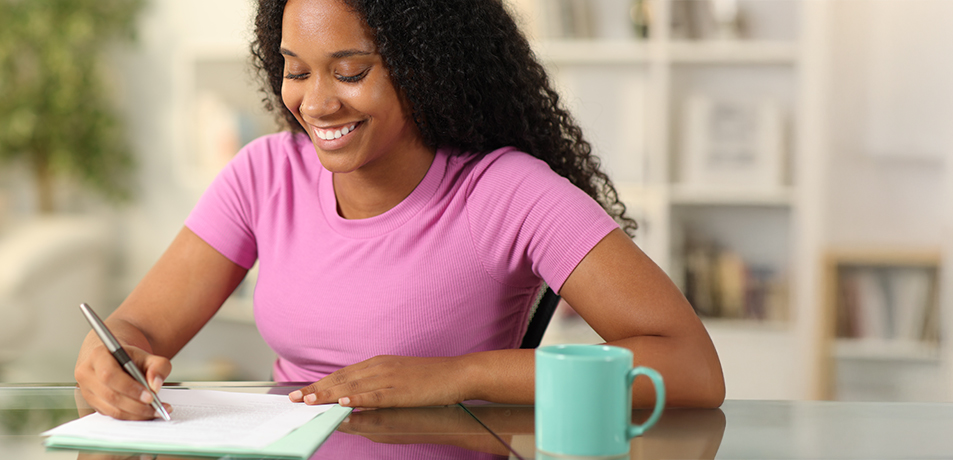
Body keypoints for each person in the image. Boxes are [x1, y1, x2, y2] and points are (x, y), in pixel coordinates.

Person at [74, 0, 726, 420]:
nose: (317, 104)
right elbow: (141, 328)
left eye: (350, 71)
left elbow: (689, 367)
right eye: (296, 70)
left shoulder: (507, 191)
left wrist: (456, 376)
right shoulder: (264, 171)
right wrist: (115, 357)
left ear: (425, 69)